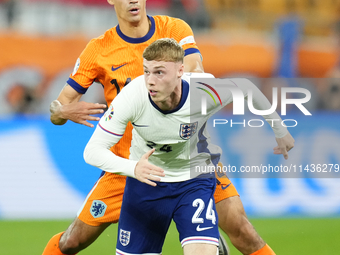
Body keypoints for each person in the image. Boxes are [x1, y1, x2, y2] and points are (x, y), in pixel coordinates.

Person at [42, 0, 292, 254]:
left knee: (242, 230)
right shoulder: (98, 50)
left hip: (191, 158)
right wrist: (61, 111)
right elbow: (58, 109)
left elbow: (195, 69)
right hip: (131, 165)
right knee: (72, 241)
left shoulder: (174, 29)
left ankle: (203, 233)